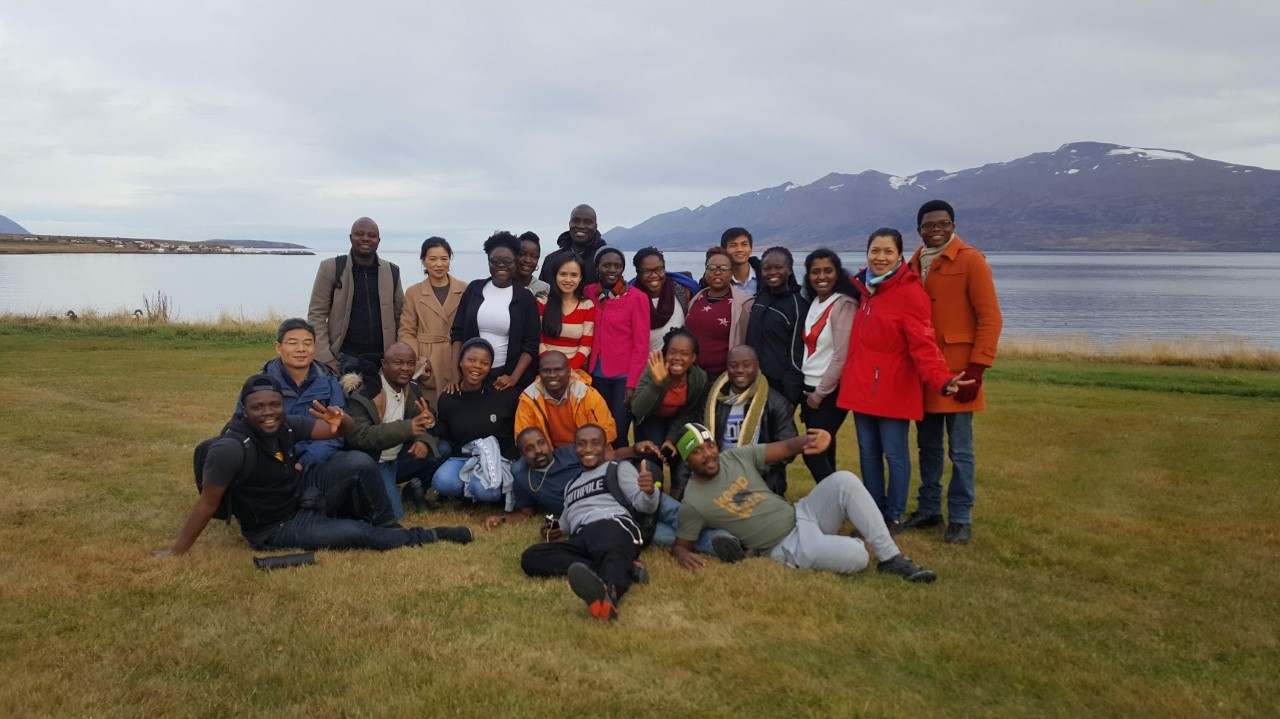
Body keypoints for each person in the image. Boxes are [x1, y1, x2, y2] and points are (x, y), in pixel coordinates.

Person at [160, 374, 471, 556]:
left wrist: (342, 419)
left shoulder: (286, 423)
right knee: (358, 533)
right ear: (244, 410)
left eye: (274, 405)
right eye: (258, 407)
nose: (268, 413)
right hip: (277, 526)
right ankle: (429, 536)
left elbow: (339, 431)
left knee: (359, 461)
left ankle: (388, 527)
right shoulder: (230, 449)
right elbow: (206, 504)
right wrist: (177, 551)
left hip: (301, 493)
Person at [670, 423, 937, 583]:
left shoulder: (734, 457)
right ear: (686, 461)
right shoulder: (694, 502)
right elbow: (681, 544)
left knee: (844, 480)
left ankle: (891, 558)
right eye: (697, 451)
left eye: (710, 445)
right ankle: (834, 547)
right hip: (786, 546)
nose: (708, 454)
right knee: (859, 557)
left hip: (802, 513)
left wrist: (812, 440)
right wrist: (682, 555)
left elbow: (787, 447)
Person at [836, 229, 974, 532]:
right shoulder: (864, 289)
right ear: (867, 253)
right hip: (862, 386)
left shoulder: (910, 293)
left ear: (900, 255)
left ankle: (894, 514)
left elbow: (924, 344)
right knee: (868, 453)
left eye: (888, 252)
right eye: (875, 251)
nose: (880, 257)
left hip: (893, 388)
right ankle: (874, 511)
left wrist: (941, 379)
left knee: (895, 454)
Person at [903, 200, 1004, 545]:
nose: (936, 230)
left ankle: (961, 517)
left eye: (942, 224)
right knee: (927, 446)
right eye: (929, 225)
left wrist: (977, 369)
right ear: (919, 230)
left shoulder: (972, 261)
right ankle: (929, 509)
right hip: (924, 373)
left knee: (960, 451)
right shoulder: (912, 264)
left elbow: (990, 318)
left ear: (953, 226)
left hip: (960, 372)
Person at [233, 318, 386, 515]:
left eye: (307, 343)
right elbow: (241, 427)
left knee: (356, 461)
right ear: (278, 347)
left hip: (316, 459)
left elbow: (336, 432)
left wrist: (304, 463)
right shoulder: (259, 385)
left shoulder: (329, 381)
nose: (301, 349)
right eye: (292, 343)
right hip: (273, 461)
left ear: (315, 348)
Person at [519, 424, 661, 621]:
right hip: (582, 537)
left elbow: (645, 506)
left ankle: (608, 596)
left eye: (595, 443)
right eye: (582, 444)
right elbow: (567, 521)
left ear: (605, 447)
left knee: (608, 545)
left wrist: (649, 492)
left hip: (612, 525)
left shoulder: (617, 468)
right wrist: (555, 528)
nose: (588, 449)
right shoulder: (571, 485)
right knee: (531, 557)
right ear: (575, 448)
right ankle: (627, 567)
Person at [342, 342, 442, 520]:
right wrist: (407, 428)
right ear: (384, 364)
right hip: (374, 463)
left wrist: (423, 440)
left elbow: (424, 419)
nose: (406, 368)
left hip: (397, 458)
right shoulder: (366, 392)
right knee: (393, 518)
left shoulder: (411, 388)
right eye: (398, 363)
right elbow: (359, 435)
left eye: (411, 363)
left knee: (441, 450)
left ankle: (410, 492)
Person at [307, 217, 404, 374]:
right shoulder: (331, 268)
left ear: (378, 240)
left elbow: (401, 317)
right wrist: (325, 357)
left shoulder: (392, 271)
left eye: (372, 235)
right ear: (351, 237)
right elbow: (316, 314)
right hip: (344, 358)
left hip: (383, 359)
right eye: (360, 234)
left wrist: (399, 356)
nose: (365, 238)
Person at [449, 231, 540, 391]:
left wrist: (513, 377)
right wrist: (455, 371)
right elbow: (458, 332)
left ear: (515, 262)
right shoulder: (474, 289)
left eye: (507, 261)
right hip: (471, 375)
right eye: (495, 261)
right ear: (488, 261)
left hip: (504, 378)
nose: (501, 265)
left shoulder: (525, 298)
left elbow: (531, 344)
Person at [798, 249, 860, 481]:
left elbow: (840, 356)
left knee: (812, 451)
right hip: (809, 388)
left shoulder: (844, 305)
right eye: (815, 272)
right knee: (825, 449)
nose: (821, 277)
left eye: (828, 271)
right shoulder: (814, 301)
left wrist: (819, 395)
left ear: (837, 273)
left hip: (829, 392)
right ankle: (831, 499)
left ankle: (838, 495)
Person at [432, 339, 520, 503]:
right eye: (471, 360)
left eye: (484, 363)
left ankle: (474, 490)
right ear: (460, 362)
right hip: (462, 457)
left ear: (490, 367)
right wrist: (431, 423)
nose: (477, 366)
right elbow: (445, 434)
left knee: (484, 491)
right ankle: (467, 487)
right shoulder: (448, 398)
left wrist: (512, 452)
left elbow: (517, 428)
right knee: (442, 482)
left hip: (497, 457)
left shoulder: (503, 394)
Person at [705, 346, 798, 496]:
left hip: (761, 475)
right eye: (733, 365)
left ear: (757, 366)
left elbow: (788, 447)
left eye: (746, 365)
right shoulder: (714, 399)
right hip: (719, 470)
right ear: (727, 367)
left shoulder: (776, 402)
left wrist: (756, 467)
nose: (740, 370)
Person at [630, 327, 710, 498]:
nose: (677, 358)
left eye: (684, 353)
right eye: (672, 352)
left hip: (678, 418)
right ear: (666, 353)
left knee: (677, 453)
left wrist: (671, 438)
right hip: (652, 417)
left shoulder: (699, 378)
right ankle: (652, 495)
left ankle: (677, 496)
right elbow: (637, 408)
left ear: (693, 357)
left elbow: (690, 412)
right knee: (655, 453)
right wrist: (656, 384)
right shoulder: (654, 369)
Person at [583, 246, 649, 449]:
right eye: (606, 265)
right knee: (597, 431)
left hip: (623, 378)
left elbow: (641, 345)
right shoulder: (588, 292)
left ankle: (622, 468)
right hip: (595, 375)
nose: (612, 270)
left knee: (619, 433)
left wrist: (632, 384)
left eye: (617, 266)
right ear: (597, 268)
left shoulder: (637, 297)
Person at [398, 236, 467, 408]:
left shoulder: (464, 289)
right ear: (423, 261)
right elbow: (407, 331)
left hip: (456, 356)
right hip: (427, 358)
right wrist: (418, 365)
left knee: (457, 406)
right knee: (429, 408)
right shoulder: (414, 292)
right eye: (433, 259)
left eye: (444, 259)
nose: (439, 264)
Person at [743, 246, 809, 407]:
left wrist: (790, 397)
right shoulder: (761, 296)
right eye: (767, 268)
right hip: (752, 380)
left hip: (780, 387)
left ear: (790, 270)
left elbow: (797, 354)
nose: (772, 272)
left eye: (779, 267)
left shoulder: (798, 305)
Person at [516, 350, 616, 448]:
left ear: (569, 371)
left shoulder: (585, 393)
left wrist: (583, 449)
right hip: (548, 453)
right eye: (546, 371)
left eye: (558, 370)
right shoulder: (530, 397)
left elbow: (607, 432)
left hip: (585, 450)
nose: (552, 375)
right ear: (539, 372)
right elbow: (523, 438)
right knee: (522, 460)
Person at [685, 247, 749, 378]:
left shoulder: (743, 304)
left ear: (731, 273)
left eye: (724, 269)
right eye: (712, 268)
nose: (717, 272)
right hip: (692, 376)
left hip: (723, 378)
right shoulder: (696, 298)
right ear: (705, 271)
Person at [632, 246, 699, 351]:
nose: (654, 275)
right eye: (646, 271)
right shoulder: (630, 300)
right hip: (643, 361)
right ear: (638, 273)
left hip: (678, 360)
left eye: (659, 269)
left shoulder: (682, 291)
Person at [537, 254, 595, 371]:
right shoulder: (542, 302)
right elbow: (538, 340)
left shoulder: (587, 306)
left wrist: (568, 370)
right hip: (545, 369)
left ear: (581, 278)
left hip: (573, 370)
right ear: (555, 275)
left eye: (574, 275)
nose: (568, 280)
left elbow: (586, 345)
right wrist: (552, 368)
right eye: (563, 274)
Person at [540, 204, 608, 287]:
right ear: (569, 224)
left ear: (595, 226)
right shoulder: (551, 260)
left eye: (587, 222)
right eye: (576, 221)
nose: (581, 226)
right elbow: (541, 291)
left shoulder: (604, 261)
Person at [721, 227, 761, 295]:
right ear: (724, 251)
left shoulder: (765, 277)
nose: (740, 249)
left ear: (751, 249)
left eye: (744, 245)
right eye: (733, 245)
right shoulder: (718, 280)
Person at [515, 231, 551, 298]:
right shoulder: (502, 285)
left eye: (534, 256)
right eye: (522, 254)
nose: (527, 260)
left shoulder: (544, 288)